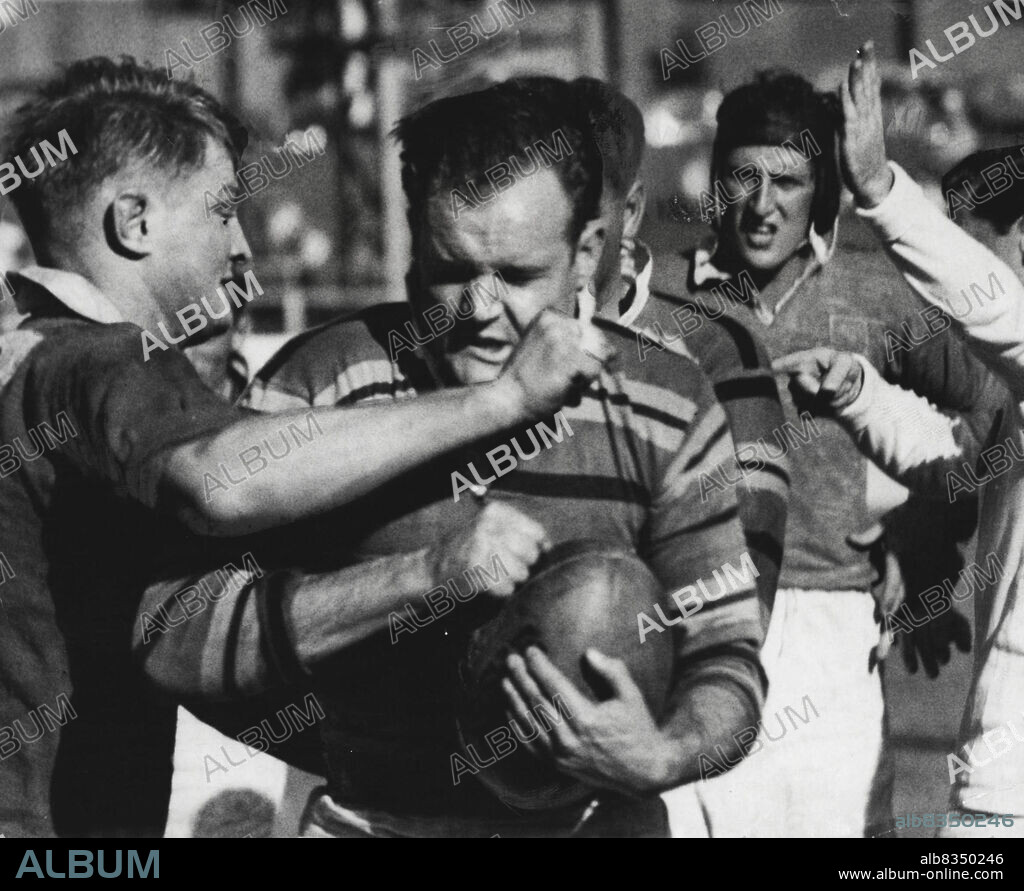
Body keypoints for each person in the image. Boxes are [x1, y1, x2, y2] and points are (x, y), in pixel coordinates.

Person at [134, 78, 767, 838]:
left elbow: (727, 657)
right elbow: (171, 630)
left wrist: (661, 753)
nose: (481, 312)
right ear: (412, 244)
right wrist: (419, 579)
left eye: (522, 276)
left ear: (586, 253)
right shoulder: (324, 382)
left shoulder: (667, 399)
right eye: (452, 271)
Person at [0, 56, 605, 839]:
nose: (242, 246)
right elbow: (222, 479)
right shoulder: (99, 361)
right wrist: (502, 399)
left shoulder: (23, 351)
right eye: (222, 212)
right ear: (135, 223)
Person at [628, 67, 1004, 837]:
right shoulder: (657, 299)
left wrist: (921, 530)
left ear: (822, 189)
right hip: (690, 609)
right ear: (714, 182)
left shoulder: (874, 290)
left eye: (789, 181)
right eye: (743, 177)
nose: (762, 206)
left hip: (829, 619)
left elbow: (991, 405)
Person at [775, 41, 1024, 836]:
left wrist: (882, 190)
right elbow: (963, 466)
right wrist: (859, 392)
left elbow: (990, 304)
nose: (969, 259)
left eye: (979, 237)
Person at [568, 75, 788, 628]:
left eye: (583, 220)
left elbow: (746, 585)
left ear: (633, 210)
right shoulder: (493, 337)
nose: (561, 242)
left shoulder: (716, 350)